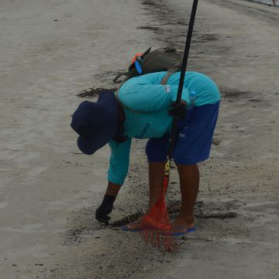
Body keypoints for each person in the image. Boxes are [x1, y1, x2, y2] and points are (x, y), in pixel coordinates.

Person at [71, 71, 221, 234]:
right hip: (169, 116)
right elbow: (119, 163)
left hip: (199, 97)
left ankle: (187, 218)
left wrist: (182, 103)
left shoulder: (133, 97)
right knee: (154, 151)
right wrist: (108, 200)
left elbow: (179, 90)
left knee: (184, 157)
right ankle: (154, 215)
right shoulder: (116, 131)